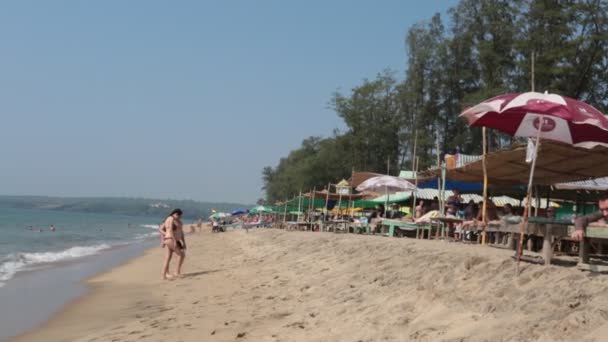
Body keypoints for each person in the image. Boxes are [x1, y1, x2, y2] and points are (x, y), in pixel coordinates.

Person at [161, 208, 186, 280]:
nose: (178, 216)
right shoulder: (170, 218)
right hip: (170, 239)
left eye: (180, 215)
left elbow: (181, 233)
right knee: (181, 255)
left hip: (170, 239)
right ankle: (176, 272)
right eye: (177, 215)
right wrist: (174, 241)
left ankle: (164, 275)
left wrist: (184, 242)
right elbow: (170, 230)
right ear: (173, 213)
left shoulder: (178, 221)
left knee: (168, 257)